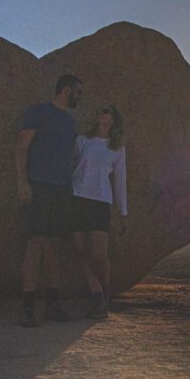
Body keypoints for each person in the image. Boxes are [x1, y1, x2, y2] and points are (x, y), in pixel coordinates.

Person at [15, 74, 82, 327]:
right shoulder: (39, 112)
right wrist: (23, 182)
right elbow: (21, 147)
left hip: (62, 189)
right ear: (65, 90)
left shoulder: (68, 121)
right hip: (39, 186)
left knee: (55, 245)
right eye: (78, 92)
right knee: (36, 244)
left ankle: (53, 305)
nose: (79, 97)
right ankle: (27, 307)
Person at [70, 104, 127, 319]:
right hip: (77, 199)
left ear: (112, 119)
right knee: (79, 251)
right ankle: (98, 299)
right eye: (99, 110)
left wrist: (123, 213)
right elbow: (72, 166)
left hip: (100, 202)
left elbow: (120, 181)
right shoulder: (82, 141)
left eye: (106, 111)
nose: (100, 114)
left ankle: (105, 293)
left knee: (99, 255)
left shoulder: (117, 149)